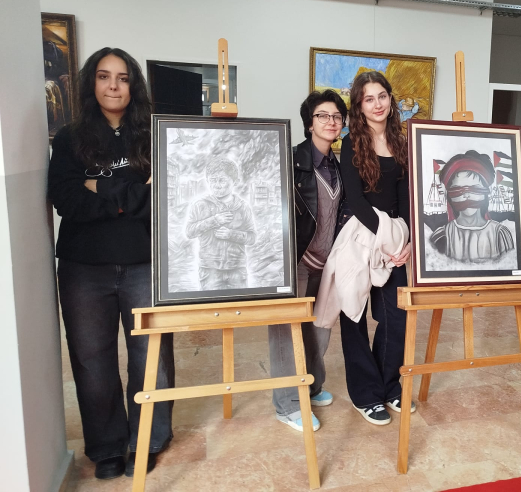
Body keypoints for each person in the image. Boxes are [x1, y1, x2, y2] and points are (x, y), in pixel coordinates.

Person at [48, 48, 175, 479]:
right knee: (91, 359)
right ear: (92, 83)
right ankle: (106, 448)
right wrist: (132, 194)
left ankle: (148, 440)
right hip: (84, 267)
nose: (114, 86)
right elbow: (66, 199)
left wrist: (99, 188)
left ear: (133, 85)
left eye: (122, 78)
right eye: (104, 77)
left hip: (144, 262)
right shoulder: (70, 138)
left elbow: (163, 197)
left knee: (152, 357)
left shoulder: (153, 135)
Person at [268, 89, 346, 431]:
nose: (331, 121)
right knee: (287, 333)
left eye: (337, 116)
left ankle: (311, 386)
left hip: (327, 262)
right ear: (309, 123)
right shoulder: (290, 160)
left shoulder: (337, 166)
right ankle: (287, 404)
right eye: (322, 115)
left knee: (319, 329)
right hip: (296, 260)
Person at [338, 71, 412, 425]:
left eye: (382, 96)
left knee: (396, 316)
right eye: (369, 99)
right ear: (360, 105)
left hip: (394, 239)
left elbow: (406, 197)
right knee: (354, 317)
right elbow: (356, 200)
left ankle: (390, 385)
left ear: (390, 99)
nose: (377, 104)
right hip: (360, 236)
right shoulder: (352, 142)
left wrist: (407, 241)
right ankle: (365, 394)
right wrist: (386, 236)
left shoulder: (401, 142)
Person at [429, 150, 514, 262]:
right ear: (450, 195)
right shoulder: (441, 236)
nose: (467, 195)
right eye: (458, 189)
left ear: (485, 193)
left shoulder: (500, 234)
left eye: (474, 188)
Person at [185, 158, 256, 290]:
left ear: (235, 182)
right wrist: (214, 221)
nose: (216, 185)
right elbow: (189, 232)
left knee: (241, 302)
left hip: (237, 268)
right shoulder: (199, 205)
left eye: (222, 180)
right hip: (209, 269)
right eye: (213, 180)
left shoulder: (243, 207)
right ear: (207, 181)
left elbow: (252, 238)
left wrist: (231, 234)